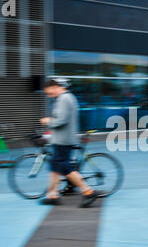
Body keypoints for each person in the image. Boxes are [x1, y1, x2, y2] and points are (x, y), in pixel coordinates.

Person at [40, 78, 103, 207]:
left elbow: (61, 120)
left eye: (49, 92)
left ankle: (88, 192)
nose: (49, 95)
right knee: (55, 167)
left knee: (64, 168)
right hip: (61, 139)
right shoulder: (67, 98)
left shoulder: (64, 98)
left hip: (63, 140)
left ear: (55, 87)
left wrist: (48, 121)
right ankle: (52, 195)